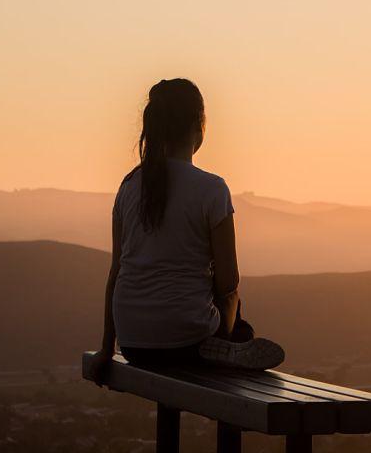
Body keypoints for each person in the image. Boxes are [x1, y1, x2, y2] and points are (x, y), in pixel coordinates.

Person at [88, 78, 284, 383]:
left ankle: (226, 343)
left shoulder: (128, 187)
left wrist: (105, 349)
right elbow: (228, 281)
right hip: (188, 342)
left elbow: (116, 273)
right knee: (237, 312)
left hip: (133, 344)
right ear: (199, 126)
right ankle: (231, 344)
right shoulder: (212, 189)